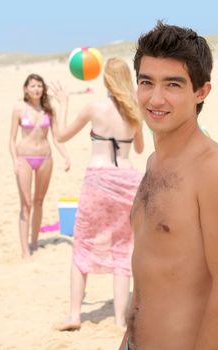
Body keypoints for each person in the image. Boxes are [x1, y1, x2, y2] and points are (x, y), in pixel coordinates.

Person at [118, 21, 218, 350]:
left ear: (201, 91)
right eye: (146, 82)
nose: (155, 98)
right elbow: (149, 276)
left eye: (173, 85)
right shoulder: (153, 164)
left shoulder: (210, 170)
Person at [52, 57, 144, 330]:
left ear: (106, 79)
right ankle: (118, 319)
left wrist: (63, 106)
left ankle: (74, 315)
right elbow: (138, 149)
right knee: (122, 248)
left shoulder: (94, 107)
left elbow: (61, 136)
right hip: (127, 181)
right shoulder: (134, 109)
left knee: (82, 244)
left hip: (98, 179)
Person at [9, 73, 70, 259]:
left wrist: (66, 155)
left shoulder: (48, 109)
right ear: (26, 88)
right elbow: (11, 139)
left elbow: (58, 137)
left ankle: (34, 242)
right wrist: (14, 160)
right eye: (33, 85)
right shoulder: (19, 109)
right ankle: (24, 250)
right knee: (26, 204)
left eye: (39, 86)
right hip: (24, 158)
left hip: (45, 158)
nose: (36, 89)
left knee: (39, 201)